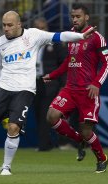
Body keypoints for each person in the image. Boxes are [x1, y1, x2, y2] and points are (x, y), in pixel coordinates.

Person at [0, 10, 95, 176]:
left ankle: (6, 167)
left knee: (13, 127)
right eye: (4, 25)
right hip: (3, 88)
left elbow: (59, 36)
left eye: (10, 25)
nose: (6, 28)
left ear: (19, 24)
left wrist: (81, 37)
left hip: (25, 90)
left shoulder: (34, 35)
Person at [43, 3, 108, 173]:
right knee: (51, 116)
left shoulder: (96, 37)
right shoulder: (72, 36)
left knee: (86, 129)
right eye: (72, 16)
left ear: (86, 17)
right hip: (70, 89)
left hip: (87, 90)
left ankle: (102, 158)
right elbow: (69, 61)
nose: (74, 19)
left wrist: (96, 83)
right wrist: (52, 75)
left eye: (78, 16)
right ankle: (78, 139)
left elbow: (107, 63)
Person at [33, 17, 68, 151]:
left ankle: (46, 145)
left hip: (50, 83)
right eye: (38, 29)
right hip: (35, 82)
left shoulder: (55, 44)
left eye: (43, 29)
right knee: (38, 113)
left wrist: (62, 85)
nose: (41, 31)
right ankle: (46, 143)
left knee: (45, 114)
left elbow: (63, 65)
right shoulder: (30, 45)